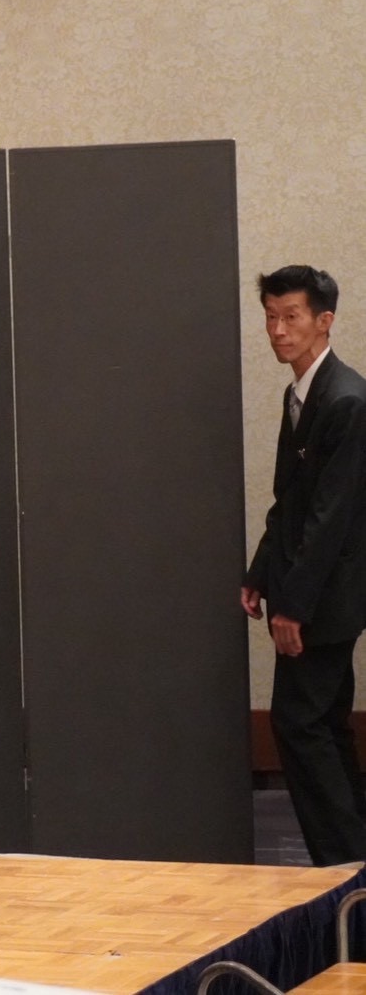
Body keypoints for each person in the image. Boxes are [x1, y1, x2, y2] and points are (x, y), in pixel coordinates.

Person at [242, 264, 366, 866]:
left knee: (298, 725)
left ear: (324, 321)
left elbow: (330, 519)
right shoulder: (301, 393)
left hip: (324, 600)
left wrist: (291, 606)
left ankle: (341, 870)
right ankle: (353, 869)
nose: (278, 330)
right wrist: (259, 572)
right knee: (325, 725)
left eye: (291, 316)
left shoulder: (345, 400)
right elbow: (290, 500)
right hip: (316, 592)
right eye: (270, 317)